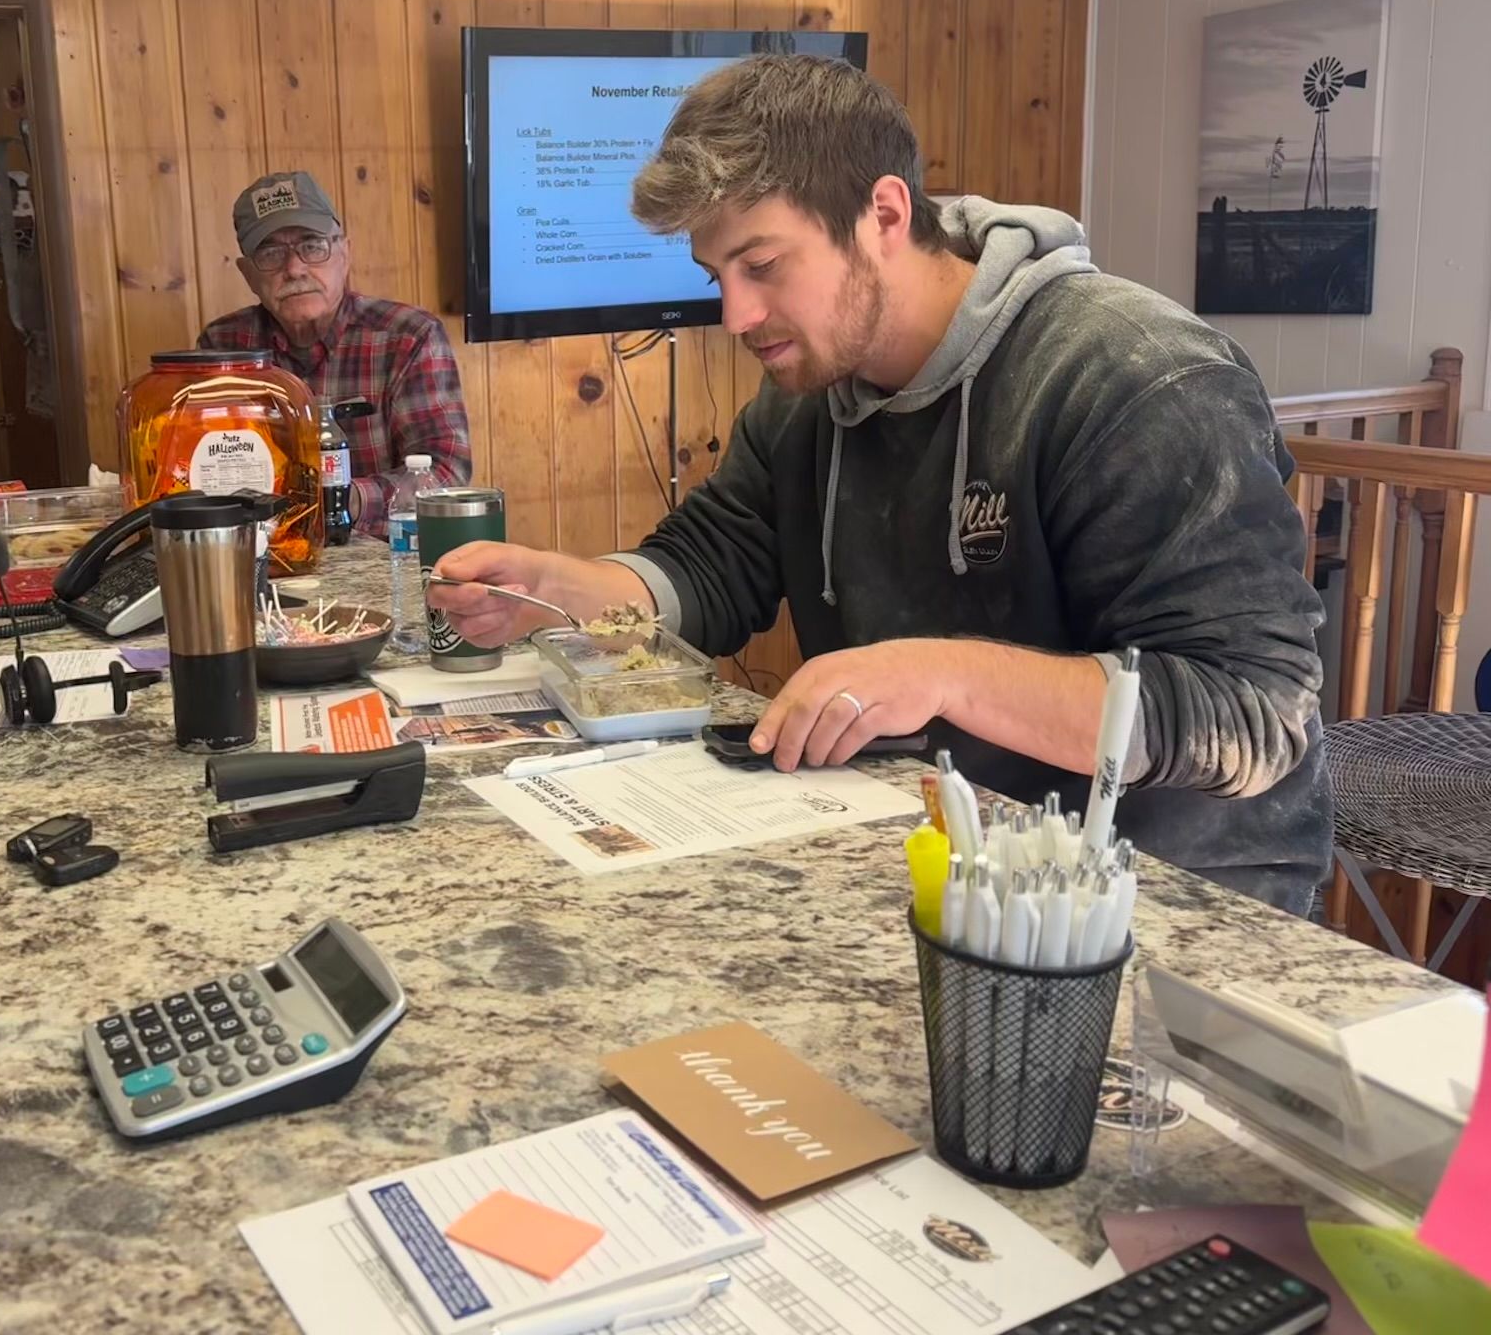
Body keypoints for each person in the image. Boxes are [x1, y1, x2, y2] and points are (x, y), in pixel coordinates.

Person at [430, 55, 1330, 915]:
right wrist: (559, 588)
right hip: (928, 845)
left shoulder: (1138, 379)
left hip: (1160, 893)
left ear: (885, 214)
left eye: (762, 265)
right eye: (717, 276)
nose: (735, 315)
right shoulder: (809, 393)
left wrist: (940, 674)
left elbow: (1252, 712)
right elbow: (713, 565)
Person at [200, 170, 471, 535]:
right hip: (262, 548)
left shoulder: (408, 336)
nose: (294, 268)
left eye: (312, 246)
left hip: (385, 551)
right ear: (248, 274)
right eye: (271, 253)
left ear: (344, 253)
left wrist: (340, 499)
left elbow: (446, 470)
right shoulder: (221, 347)